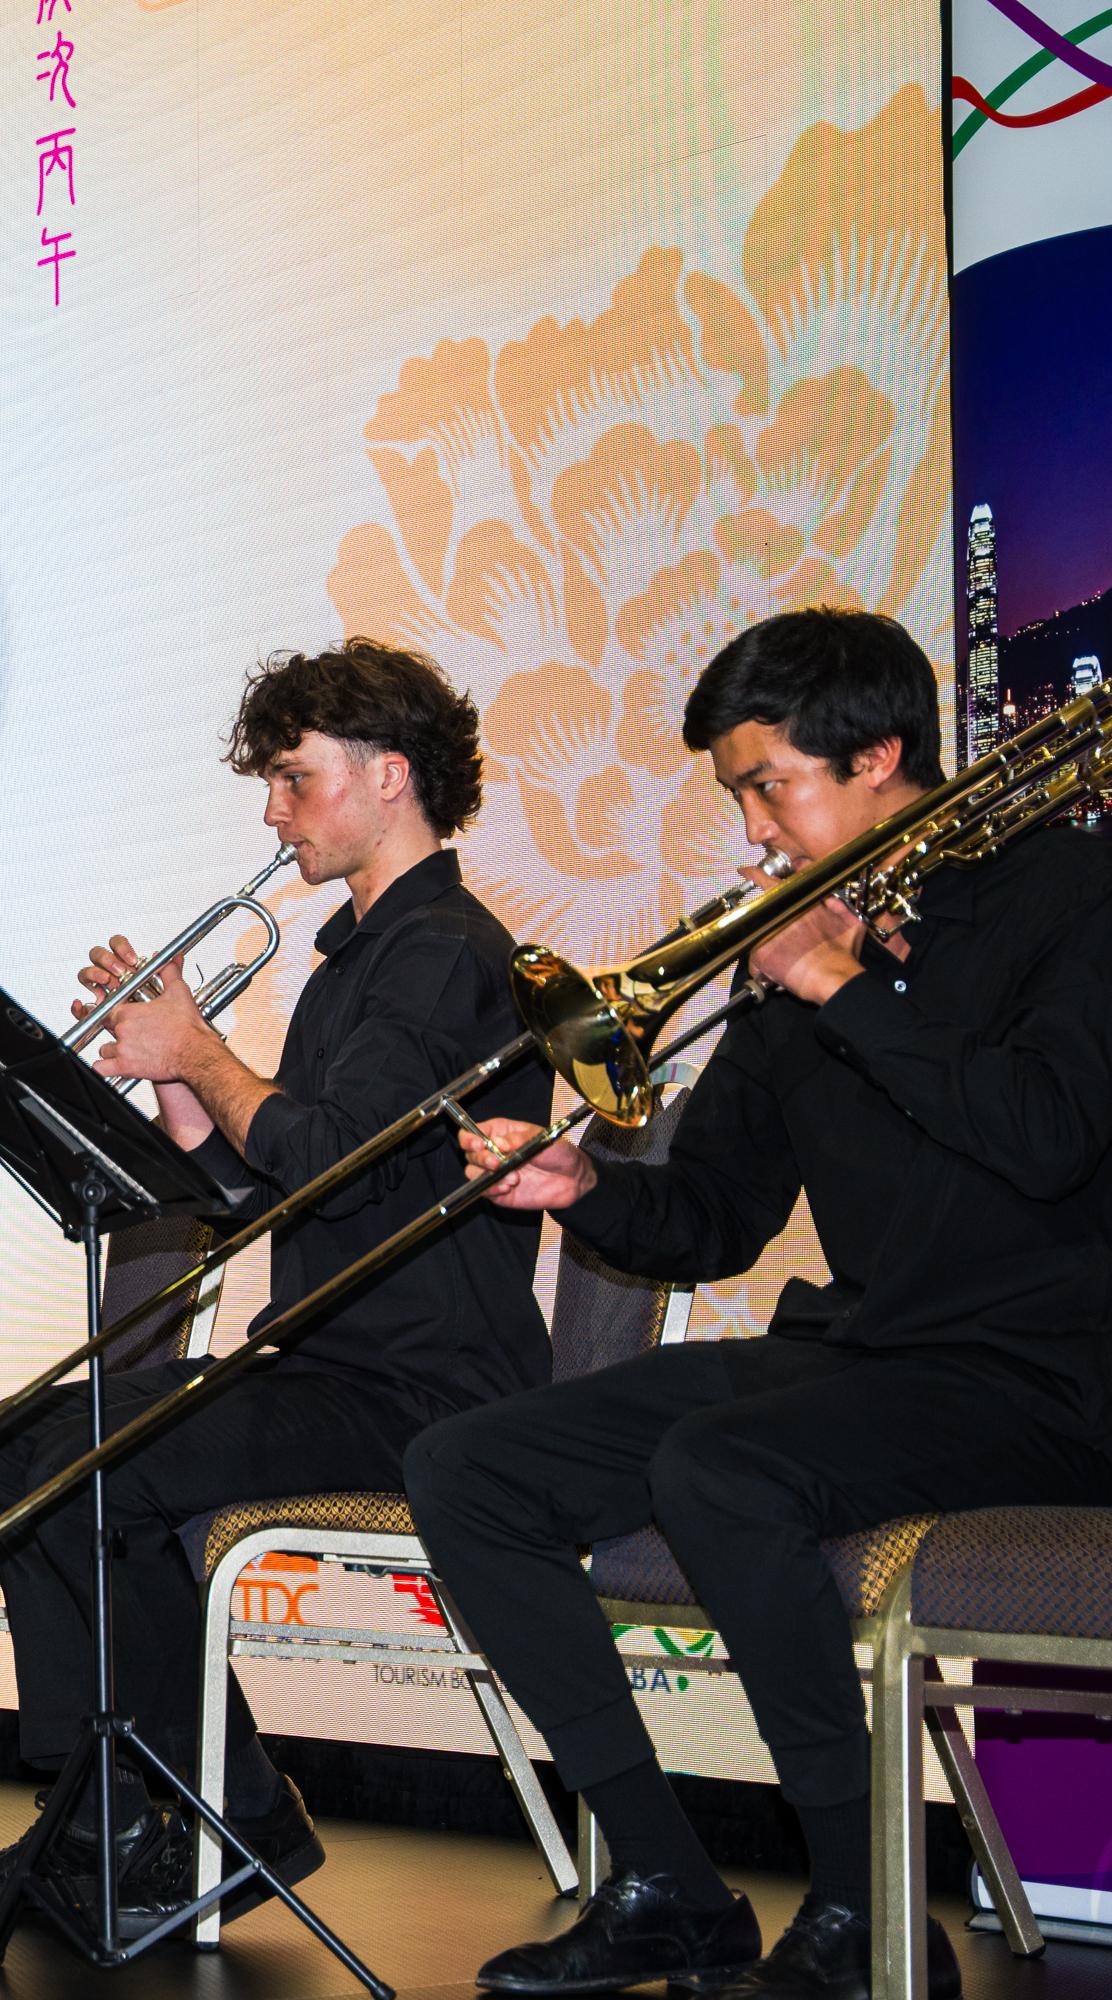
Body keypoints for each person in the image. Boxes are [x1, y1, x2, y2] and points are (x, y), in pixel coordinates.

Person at [407, 607, 1112, 2000]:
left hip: (1046, 1370)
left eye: (768, 785)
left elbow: (1046, 1137)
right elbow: (718, 1216)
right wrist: (580, 1187)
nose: (752, 828)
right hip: (876, 1354)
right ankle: (668, 1882)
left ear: (879, 756)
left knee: (721, 1470)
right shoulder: (799, 957)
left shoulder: (1070, 893)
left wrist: (840, 980)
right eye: (738, 793)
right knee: (470, 1467)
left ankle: (865, 1911)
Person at [0, 639, 552, 1934]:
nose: (273, 814)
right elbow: (264, 1191)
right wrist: (182, 1080)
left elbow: (330, 1159)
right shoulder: (356, 961)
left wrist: (204, 1050)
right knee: (20, 1449)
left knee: (79, 1471)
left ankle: (207, 1814)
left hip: (421, 1386)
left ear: (389, 777)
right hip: (333, 1359)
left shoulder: (445, 953)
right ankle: (126, 1813)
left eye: (294, 779)